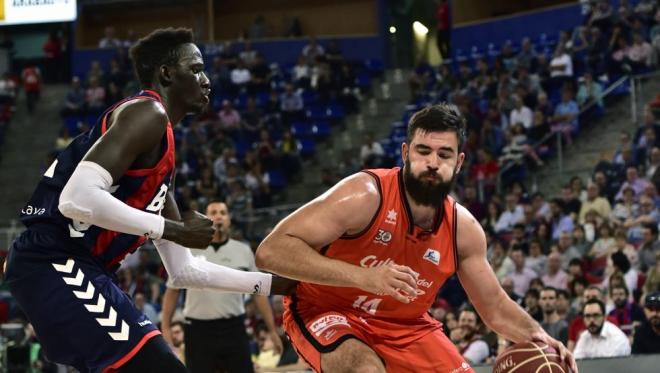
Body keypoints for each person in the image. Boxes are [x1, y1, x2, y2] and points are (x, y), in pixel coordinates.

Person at [4, 28, 288, 373]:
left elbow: (184, 271)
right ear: (167, 73)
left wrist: (277, 285)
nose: (206, 79)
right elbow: (76, 198)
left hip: (83, 269)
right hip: (54, 259)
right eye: (196, 68)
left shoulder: (162, 160)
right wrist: (173, 229)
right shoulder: (147, 113)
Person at [255, 104, 577, 372]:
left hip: (405, 325)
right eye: (424, 151)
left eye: (444, 154)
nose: (433, 163)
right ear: (406, 152)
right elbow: (271, 251)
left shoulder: (463, 229)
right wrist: (363, 277)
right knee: (364, 370)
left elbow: (493, 306)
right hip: (324, 308)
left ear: (459, 162)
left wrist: (539, 336)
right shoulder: (364, 195)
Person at [161, 201, 286, 373]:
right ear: (205, 219)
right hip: (198, 330)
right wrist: (165, 327)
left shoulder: (243, 250)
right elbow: (172, 291)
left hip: (233, 327)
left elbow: (259, 293)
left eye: (223, 212)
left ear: (229, 220)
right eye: (213, 212)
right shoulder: (189, 248)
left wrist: (272, 329)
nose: (218, 216)